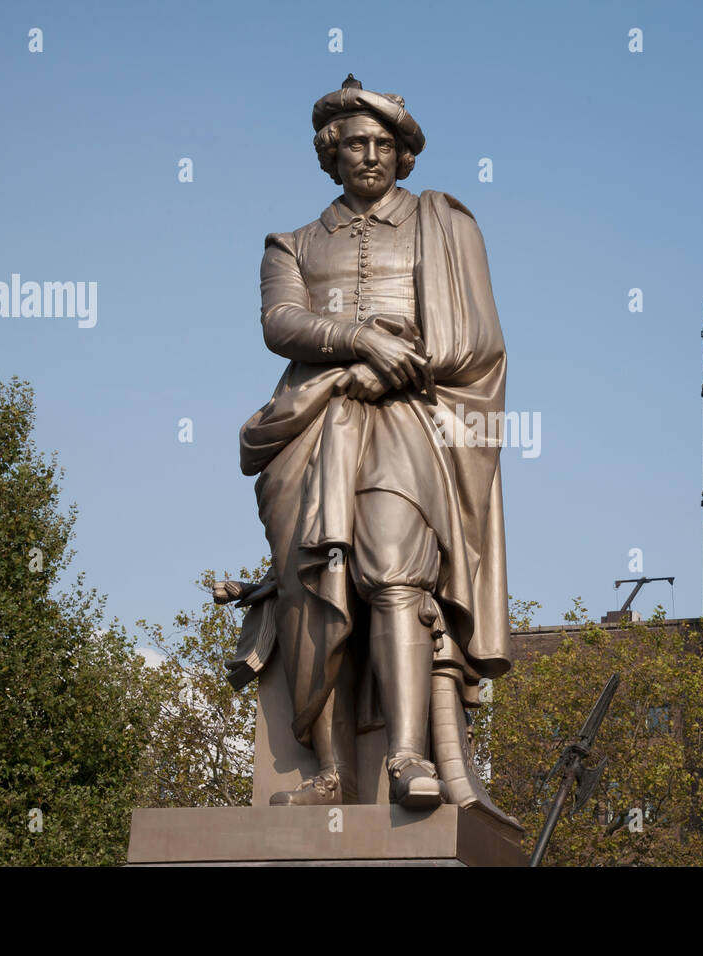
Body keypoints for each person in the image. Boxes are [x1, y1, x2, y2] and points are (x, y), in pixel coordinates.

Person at [226, 76, 511, 810]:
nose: (373, 155)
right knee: (316, 590)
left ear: (404, 154)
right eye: (357, 143)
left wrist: (397, 366)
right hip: (311, 426)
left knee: (393, 572)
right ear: (332, 152)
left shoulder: (442, 225)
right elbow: (280, 325)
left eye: (387, 144)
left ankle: (407, 755)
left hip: (410, 417)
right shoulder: (289, 244)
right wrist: (358, 343)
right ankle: (330, 774)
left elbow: (478, 338)